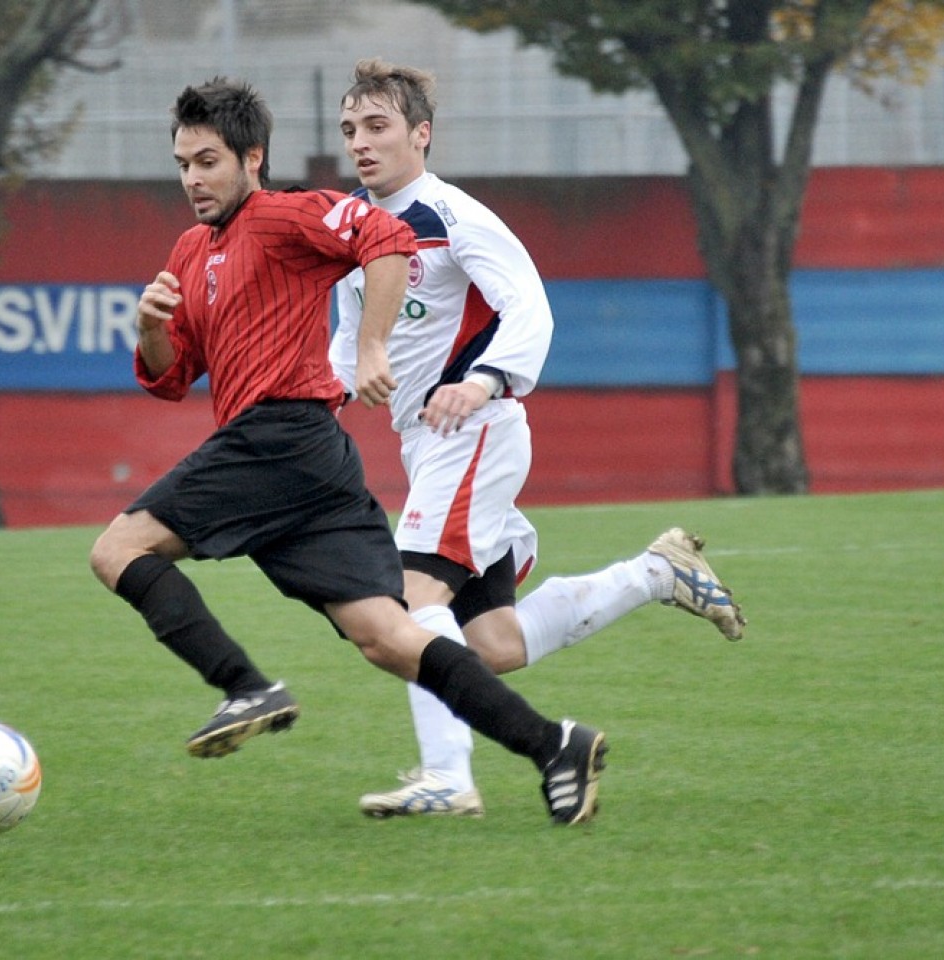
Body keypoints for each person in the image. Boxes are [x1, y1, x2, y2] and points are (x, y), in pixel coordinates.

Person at [87, 76, 608, 825]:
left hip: (279, 436)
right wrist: (149, 325)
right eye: (183, 164)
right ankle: (554, 745)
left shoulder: (286, 214)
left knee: (117, 550)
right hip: (307, 463)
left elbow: (388, 238)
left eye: (207, 162)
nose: (192, 180)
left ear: (251, 158)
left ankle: (246, 687)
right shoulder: (192, 249)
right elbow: (171, 378)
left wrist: (370, 349)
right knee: (391, 635)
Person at [329, 59, 746, 818]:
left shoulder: (455, 216)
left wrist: (483, 380)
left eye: (379, 126)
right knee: (490, 643)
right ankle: (657, 574)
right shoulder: (353, 234)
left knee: (404, 603)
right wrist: (331, 389)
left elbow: (530, 309)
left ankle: (448, 780)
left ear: (422, 135)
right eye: (351, 128)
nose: (361, 142)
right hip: (428, 445)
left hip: (475, 431)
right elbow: (351, 344)